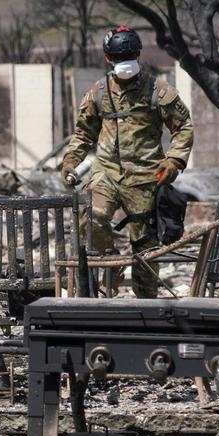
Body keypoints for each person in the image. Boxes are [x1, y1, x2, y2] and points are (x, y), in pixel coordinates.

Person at [60, 26, 194, 298]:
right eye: (119, 57)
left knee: (146, 248)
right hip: (106, 173)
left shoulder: (158, 90)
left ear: (138, 55)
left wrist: (174, 161)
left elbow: (183, 127)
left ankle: (146, 307)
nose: (124, 63)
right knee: (91, 217)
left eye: (129, 55)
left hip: (146, 177)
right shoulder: (99, 93)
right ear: (108, 58)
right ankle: (112, 266)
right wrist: (71, 161)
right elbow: (84, 133)